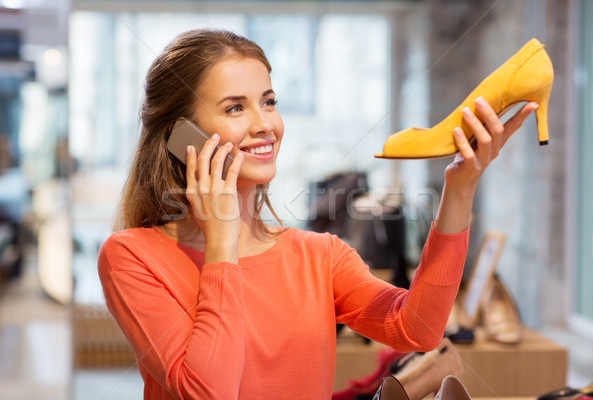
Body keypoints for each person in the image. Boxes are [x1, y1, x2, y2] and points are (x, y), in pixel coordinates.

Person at [97, 29, 538, 399]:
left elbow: (419, 330)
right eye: (235, 107)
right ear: (181, 136)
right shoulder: (132, 257)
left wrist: (460, 189)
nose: (264, 123)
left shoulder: (317, 254)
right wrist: (221, 241)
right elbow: (208, 391)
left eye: (268, 101)